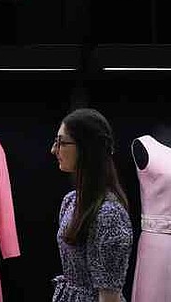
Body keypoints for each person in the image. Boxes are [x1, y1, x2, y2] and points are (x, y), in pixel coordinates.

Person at [50, 108, 133, 302]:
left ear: (85, 147)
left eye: (61, 142)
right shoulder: (71, 200)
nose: (54, 149)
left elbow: (109, 295)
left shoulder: (109, 214)